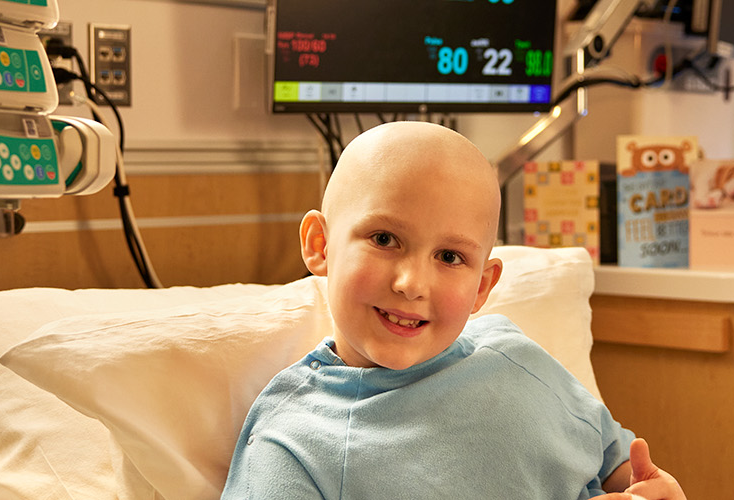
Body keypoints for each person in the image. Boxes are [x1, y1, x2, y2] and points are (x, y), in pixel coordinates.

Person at [221, 122, 685, 500]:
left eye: (449, 257)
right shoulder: (295, 442)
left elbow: (619, 465)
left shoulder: (514, 355)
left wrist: (654, 491)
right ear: (320, 245)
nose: (411, 284)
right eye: (384, 239)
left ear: (482, 286)